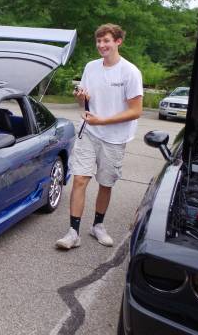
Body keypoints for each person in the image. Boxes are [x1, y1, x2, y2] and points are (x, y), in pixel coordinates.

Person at [56, 23, 143, 250]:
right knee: (80, 179)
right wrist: (81, 98)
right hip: (89, 132)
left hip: (114, 138)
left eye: (106, 41)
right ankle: (73, 232)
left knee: (106, 183)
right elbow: (84, 101)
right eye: (99, 41)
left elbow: (136, 110)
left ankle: (98, 226)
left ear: (118, 42)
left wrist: (102, 120)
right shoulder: (91, 67)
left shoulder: (130, 72)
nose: (101, 45)